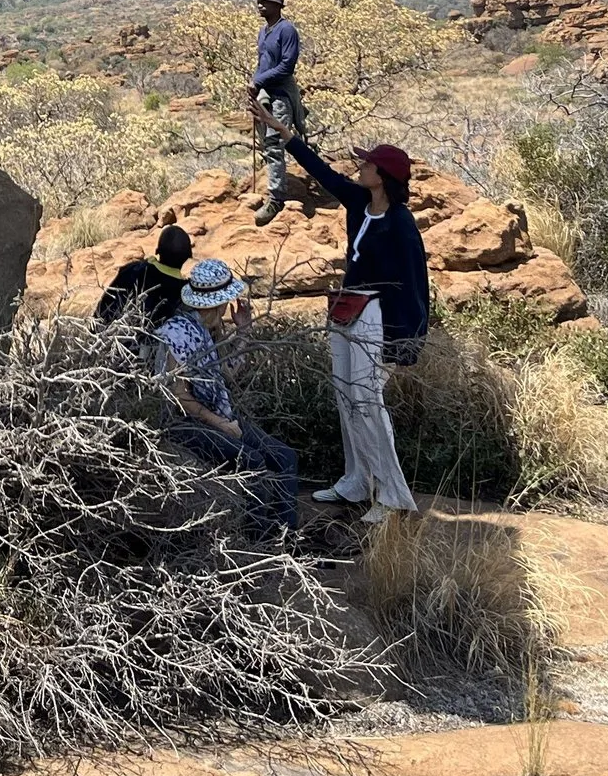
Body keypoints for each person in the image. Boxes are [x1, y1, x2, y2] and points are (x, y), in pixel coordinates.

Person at [284, 134, 427, 522]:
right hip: (348, 309)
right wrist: (287, 139)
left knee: (367, 403)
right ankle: (357, 481)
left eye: (367, 164)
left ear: (382, 175)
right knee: (345, 396)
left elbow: (416, 284)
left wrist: (405, 342)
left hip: (379, 317)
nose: (359, 168)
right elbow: (324, 175)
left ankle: (392, 494)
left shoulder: (400, 224)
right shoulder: (360, 204)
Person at [150, 257, 298, 534]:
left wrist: (243, 332)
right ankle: (259, 540)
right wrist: (221, 425)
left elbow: (228, 373)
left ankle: (287, 538)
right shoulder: (176, 334)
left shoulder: (208, 329)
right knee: (252, 461)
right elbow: (179, 397)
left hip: (217, 411)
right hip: (185, 421)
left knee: (284, 456)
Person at [248, 0, 308, 225]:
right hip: (265, 94)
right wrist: (253, 84)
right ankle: (274, 191)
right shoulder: (264, 32)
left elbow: (286, 66)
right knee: (266, 143)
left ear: (278, 6)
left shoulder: (287, 30)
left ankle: (276, 199)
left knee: (275, 144)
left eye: (266, 2)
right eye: (259, 1)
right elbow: (262, 62)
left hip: (281, 95)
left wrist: (259, 80)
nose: (260, 5)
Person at [96, 224, 193, 327]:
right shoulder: (185, 293)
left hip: (104, 335)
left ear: (157, 251)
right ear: (187, 257)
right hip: (149, 341)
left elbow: (103, 306)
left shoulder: (131, 269)